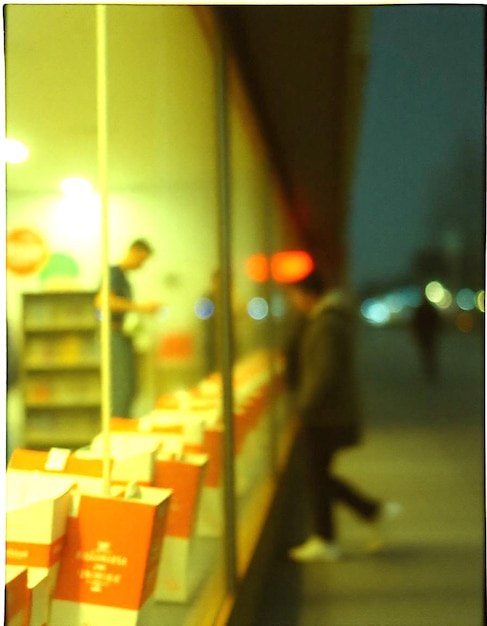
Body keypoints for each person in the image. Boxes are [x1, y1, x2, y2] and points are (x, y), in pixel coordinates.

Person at [284, 268, 400, 562]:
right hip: (330, 414)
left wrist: (303, 408)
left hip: (326, 416)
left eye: (296, 296)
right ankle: (366, 515)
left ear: (309, 295)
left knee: (316, 476)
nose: (293, 302)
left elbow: (324, 374)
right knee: (318, 476)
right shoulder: (325, 319)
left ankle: (338, 532)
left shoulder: (326, 324)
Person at [95, 239, 160, 418]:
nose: (142, 265)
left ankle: (123, 422)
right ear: (134, 252)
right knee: (122, 388)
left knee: (130, 386)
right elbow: (103, 301)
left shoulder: (123, 277)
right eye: (142, 260)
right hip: (113, 333)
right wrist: (140, 307)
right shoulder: (114, 272)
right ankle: (118, 427)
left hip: (123, 334)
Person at [412, 294, 441, 382]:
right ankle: (431, 371)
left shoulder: (420, 310)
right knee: (431, 353)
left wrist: (415, 334)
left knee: (426, 354)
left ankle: (429, 370)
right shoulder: (431, 309)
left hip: (424, 335)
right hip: (430, 335)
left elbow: (415, 323)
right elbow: (437, 321)